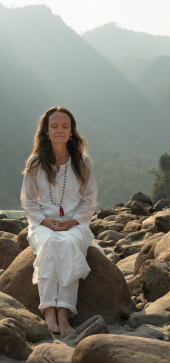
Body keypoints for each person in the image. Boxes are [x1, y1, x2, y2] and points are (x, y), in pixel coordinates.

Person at [21, 106, 103, 335]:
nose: (59, 130)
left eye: (64, 126)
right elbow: (28, 201)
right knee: (49, 245)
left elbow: (90, 199)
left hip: (75, 224)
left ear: (71, 131)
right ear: (46, 131)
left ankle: (64, 312)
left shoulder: (82, 161)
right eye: (54, 126)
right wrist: (44, 221)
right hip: (42, 224)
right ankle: (48, 311)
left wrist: (74, 221)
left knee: (67, 245)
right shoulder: (35, 162)